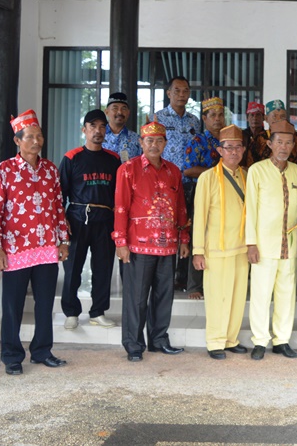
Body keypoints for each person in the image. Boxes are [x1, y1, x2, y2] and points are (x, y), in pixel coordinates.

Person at [0, 109, 70, 375]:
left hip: (47, 247)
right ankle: (12, 355)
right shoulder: (3, 171)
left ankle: (42, 351)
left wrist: (63, 240)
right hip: (15, 248)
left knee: (45, 303)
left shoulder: (50, 170)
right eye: (30, 137)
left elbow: (59, 207)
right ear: (17, 140)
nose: (36, 141)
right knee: (12, 305)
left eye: (39, 136)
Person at [113, 119, 190, 362]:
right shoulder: (128, 169)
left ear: (166, 143)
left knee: (163, 296)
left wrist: (184, 238)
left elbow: (180, 208)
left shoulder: (173, 171)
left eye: (159, 140)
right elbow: (121, 208)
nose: (154, 145)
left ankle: (158, 340)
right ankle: (134, 345)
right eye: (149, 140)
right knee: (136, 298)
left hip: (168, 246)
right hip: (138, 245)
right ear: (141, 142)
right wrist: (120, 243)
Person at [245, 120, 297, 360]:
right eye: (279, 142)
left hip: (289, 247)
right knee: (260, 295)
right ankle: (260, 341)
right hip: (263, 245)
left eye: (288, 142)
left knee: (286, 294)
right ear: (270, 144)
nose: (284, 147)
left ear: (294, 146)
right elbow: (249, 208)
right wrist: (251, 243)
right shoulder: (257, 170)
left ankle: (282, 340)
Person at [59, 109, 121, 330]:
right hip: (77, 218)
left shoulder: (113, 159)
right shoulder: (72, 157)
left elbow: (119, 194)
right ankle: (71, 312)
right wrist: (61, 221)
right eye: (93, 126)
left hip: (105, 219)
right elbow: (60, 194)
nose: (98, 131)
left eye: (102, 126)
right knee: (72, 268)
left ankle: (98, 311)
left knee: (103, 268)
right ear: (84, 130)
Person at [193, 125, 250, 360]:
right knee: (218, 297)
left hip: (242, 248)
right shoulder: (207, 178)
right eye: (229, 147)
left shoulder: (247, 176)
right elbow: (199, 216)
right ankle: (215, 341)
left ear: (244, 149)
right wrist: (198, 251)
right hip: (216, 248)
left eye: (238, 147)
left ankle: (230, 339)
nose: (234, 152)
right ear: (219, 150)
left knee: (237, 296)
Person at [155, 76, 201, 296]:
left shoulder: (194, 121)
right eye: (177, 90)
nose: (182, 95)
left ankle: (182, 277)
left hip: (192, 183)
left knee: (188, 228)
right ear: (168, 93)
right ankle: (166, 276)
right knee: (167, 227)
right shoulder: (159, 118)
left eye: (186, 91)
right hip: (168, 183)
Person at [182, 96, 226, 300]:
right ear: (204, 118)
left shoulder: (228, 141)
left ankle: (217, 281)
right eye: (213, 115)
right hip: (201, 195)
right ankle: (194, 285)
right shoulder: (198, 140)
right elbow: (189, 170)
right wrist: (215, 173)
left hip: (225, 197)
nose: (218, 119)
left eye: (221, 115)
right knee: (198, 238)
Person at [247, 100, 297, 185]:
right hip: (265, 184)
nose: (278, 120)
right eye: (274, 116)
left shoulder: (296, 138)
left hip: (292, 183)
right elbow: (250, 166)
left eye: (282, 116)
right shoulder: (259, 139)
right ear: (266, 118)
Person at [102, 92, 141, 163]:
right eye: (115, 108)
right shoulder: (98, 136)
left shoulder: (136, 139)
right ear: (106, 112)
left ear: (128, 113)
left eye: (124, 109)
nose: (120, 112)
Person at [241, 101, 266, 168]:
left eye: (258, 115)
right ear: (247, 118)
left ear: (263, 118)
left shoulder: (268, 136)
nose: (254, 118)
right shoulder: (241, 135)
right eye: (252, 115)